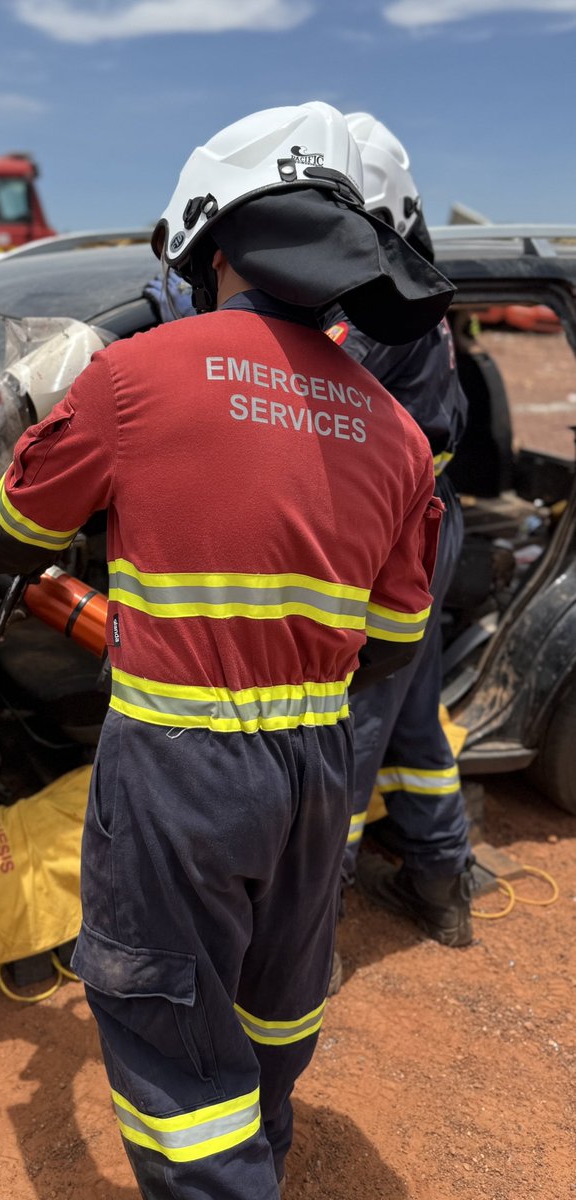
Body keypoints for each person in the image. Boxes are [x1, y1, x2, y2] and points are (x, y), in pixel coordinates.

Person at [0, 101, 454, 1199]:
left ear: (210, 242)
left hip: (179, 770)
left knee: (172, 1064)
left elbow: (16, 538)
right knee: (272, 1005)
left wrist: (61, 433)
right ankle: (263, 1145)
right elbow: (390, 646)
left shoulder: (136, 377)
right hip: (320, 770)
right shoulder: (399, 435)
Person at [328, 114, 474, 950]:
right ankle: (437, 880)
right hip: (425, 518)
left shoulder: (384, 303)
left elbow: (304, 378)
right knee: (414, 718)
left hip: (391, 536)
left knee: (351, 724)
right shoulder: (407, 273)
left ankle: (313, 924)